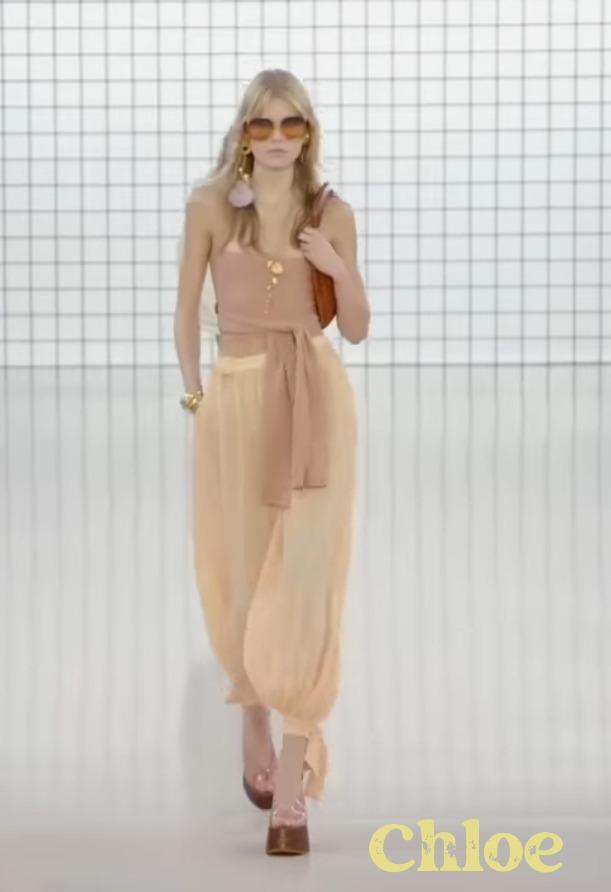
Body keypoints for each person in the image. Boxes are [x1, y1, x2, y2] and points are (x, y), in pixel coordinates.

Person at [173, 68, 370, 855]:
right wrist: (196, 396)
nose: (279, 138)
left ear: (308, 133)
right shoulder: (210, 206)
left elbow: (355, 327)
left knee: (307, 579)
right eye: (263, 124)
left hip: (315, 399)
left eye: (293, 124)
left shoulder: (333, 213)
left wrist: (336, 264)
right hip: (236, 399)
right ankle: (251, 705)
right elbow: (185, 308)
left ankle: (292, 782)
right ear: (244, 132)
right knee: (241, 569)